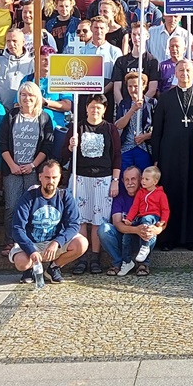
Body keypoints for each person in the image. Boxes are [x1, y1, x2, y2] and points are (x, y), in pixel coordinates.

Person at [154, 59, 193, 251]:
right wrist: (156, 157)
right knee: (171, 193)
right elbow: (157, 131)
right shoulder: (165, 98)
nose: (184, 74)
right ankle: (169, 238)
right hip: (170, 156)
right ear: (175, 74)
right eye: (180, 70)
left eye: (188, 70)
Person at [9, 160, 88, 283]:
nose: (51, 181)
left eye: (54, 177)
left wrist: (57, 242)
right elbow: (17, 228)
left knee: (82, 243)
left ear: (60, 178)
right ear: (40, 177)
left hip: (53, 241)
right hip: (32, 242)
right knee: (21, 262)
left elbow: (73, 225)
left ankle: (54, 268)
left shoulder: (65, 196)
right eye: (47, 177)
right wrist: (31, 250)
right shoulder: (29, 197)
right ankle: (30, 269)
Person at [67, 93, 120, 271]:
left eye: (99, 107)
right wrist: (70, 146)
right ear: (86, 108)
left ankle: (95, 257)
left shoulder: (110, 129)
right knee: (81, 220)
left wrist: (115, 180)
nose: (95, 110)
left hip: (103, 179)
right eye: (92, 106)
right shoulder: (77, 127)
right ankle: (81, 256)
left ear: (104, 110)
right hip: (80, 178)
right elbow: (63, 155)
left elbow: (116, 156)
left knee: (98, 221)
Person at [115, 165, 170, 277]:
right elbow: (135, 207)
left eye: (146, 179)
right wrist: (129, 219)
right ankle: (127, 261)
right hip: (140, 217)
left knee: (147, 223)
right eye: (143, 179)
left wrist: (162, 222)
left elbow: (165, 210)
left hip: (153, 217)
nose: (143, 181)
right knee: (126, 235)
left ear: (155, 182)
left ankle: (145, 248)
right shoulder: (141, 193)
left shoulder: (161, 194)